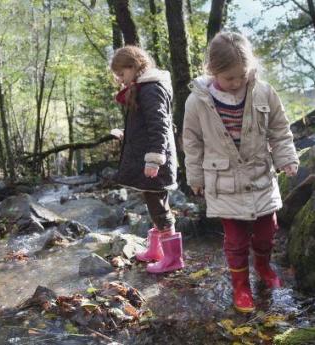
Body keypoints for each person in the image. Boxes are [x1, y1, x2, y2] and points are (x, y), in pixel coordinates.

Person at [183, 32, 299, 313]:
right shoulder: (197, 102)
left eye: (241, 76)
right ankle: (240, 285)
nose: (236, 83)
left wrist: (287, 158)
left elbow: (279, 130)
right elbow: (192, 141)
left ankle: (263, 266)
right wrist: (195, 178)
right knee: (235, 240)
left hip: (260, 176)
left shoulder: (264, 92)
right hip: (224, 182)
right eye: (229, 78)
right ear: (212, 71)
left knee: (267, 232)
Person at [110, 45, 184, 274]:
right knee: (154, 202)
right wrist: (127, 135)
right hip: (151, 157)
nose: (121, 80)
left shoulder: (151, 88)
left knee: (158, 205)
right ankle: (156, 251)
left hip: (155, 160)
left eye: (122, 74)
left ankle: (173, 259)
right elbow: (145, 125)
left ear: (134, 66)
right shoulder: (143, 87)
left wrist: (154, 159)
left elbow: (159, 125)